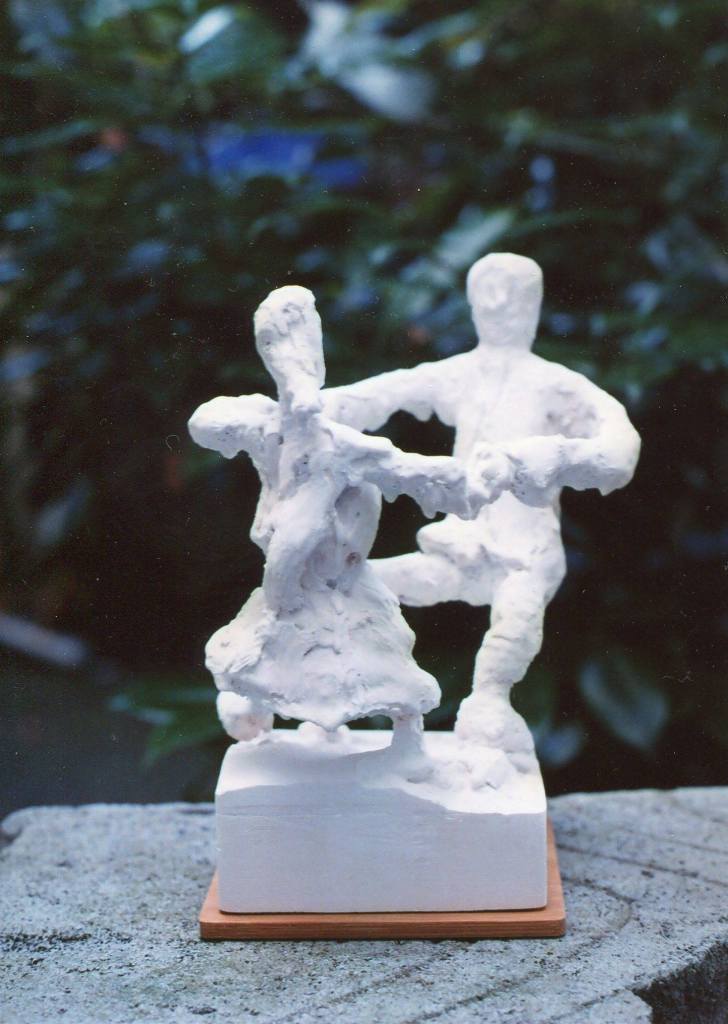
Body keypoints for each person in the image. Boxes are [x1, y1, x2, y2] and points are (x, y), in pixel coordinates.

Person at [322, 253, 641, 767]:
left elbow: (619, 450)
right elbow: (386, 392)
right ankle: (323, 678)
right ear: (471, 303)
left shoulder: (553, 384)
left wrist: (549, 457)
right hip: (461, 544)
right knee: (362, 583)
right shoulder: (460, 374)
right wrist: (312, 410)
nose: (498, 305)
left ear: (533, 304)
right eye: (487, 293)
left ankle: (490, 704)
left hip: (524, 550)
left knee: (515, 623)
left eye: (513, 294)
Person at [189, 285, 505, 766]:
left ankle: (408, 745)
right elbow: (207, 421)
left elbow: (405, 472)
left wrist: (467, 483)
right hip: (295, 588)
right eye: (278, 348)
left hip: (337, 582)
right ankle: (261, 715)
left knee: (379, 665)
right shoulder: (265, 426)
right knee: (268, 659)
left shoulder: (340, 448)